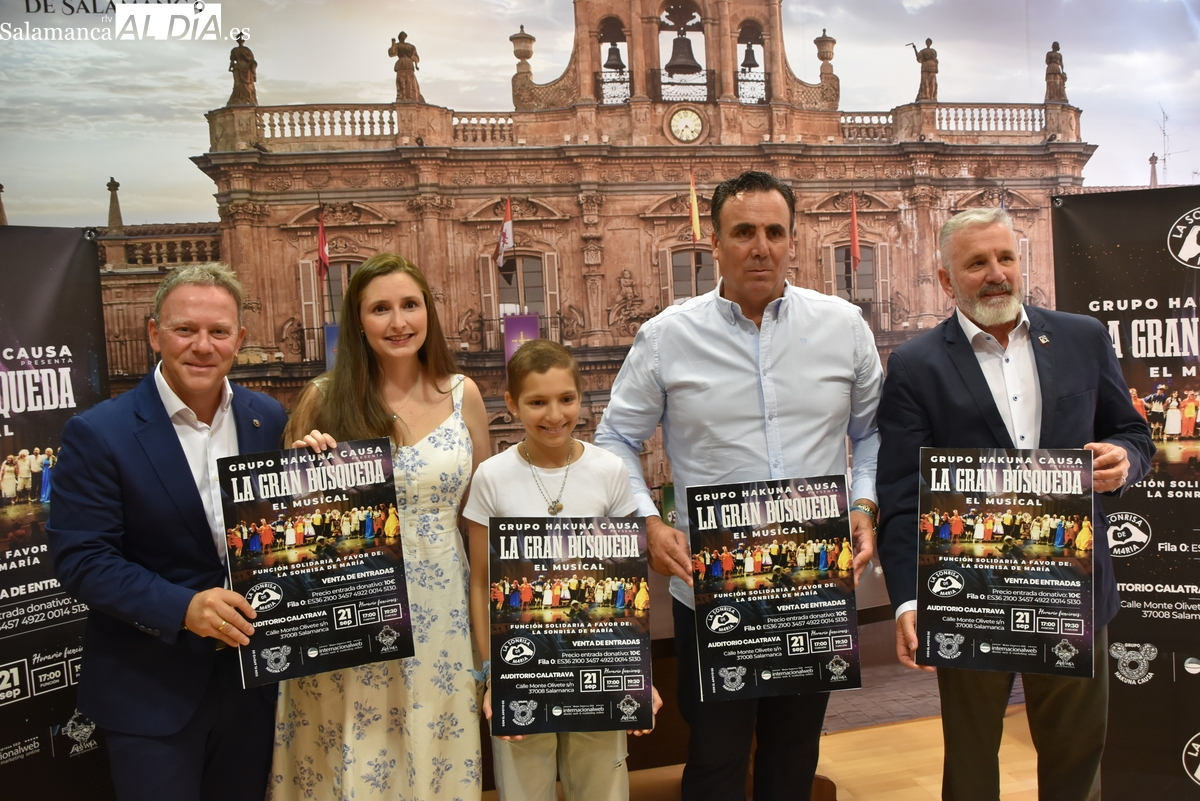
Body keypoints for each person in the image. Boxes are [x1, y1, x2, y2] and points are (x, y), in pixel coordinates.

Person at [594, 170, 883, 801]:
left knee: (794, 754)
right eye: (744, 232)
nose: (761, 247)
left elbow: (871, 433)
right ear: (715, 243)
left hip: (812, 583)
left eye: (775, 232)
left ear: (792, 241)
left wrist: (864, 501)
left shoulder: (844, 326)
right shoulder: (667, 336)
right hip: (712, 588)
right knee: (716, 759)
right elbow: (614, 438)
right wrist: (647, 521)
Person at [875, 207, 1155, 801]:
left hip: (1071, 587)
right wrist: (907, 599)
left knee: (1076, 755)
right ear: (947, 280)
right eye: (976, 263)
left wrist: (1126, 459)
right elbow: (901, 494)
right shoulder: (915, 365)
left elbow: (1133, 432)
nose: (996, 273)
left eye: (1005, 257)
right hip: (970, 593)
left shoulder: (1082, 337)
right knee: (970, 761)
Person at [46, 263, 287, 801]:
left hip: (253, 685)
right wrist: (183, 608)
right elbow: (82, 558)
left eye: (218, 331)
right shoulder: (98, 433)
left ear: (239, 339)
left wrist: (316, 464)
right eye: (185, 329)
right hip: (151, 694)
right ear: (155, 334)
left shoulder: (268, 418)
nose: (202, 346)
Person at [269, 252, 490, 800]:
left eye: (410, 305)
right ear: (358, 321)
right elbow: (283, 525)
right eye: (380, 309)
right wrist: (301, 470)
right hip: (352, 609)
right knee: (356, 748)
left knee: (435, 745)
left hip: (442, 610)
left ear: (428, 311)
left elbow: (482, 516)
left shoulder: (463, 395)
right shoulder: (323, 398)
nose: (398, 322)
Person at [464, 339, 661, 801]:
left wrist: (637, 671)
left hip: (597, 665)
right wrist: (493, 676)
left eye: (566, 399)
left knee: (602, 789)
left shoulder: (609, 470)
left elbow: (628, 579)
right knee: (524, 792)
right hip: (523, 670)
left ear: (581, 397)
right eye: (537, 402)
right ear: (512, 404)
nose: (554, 415)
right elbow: (480, 583)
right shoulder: (491, 475)